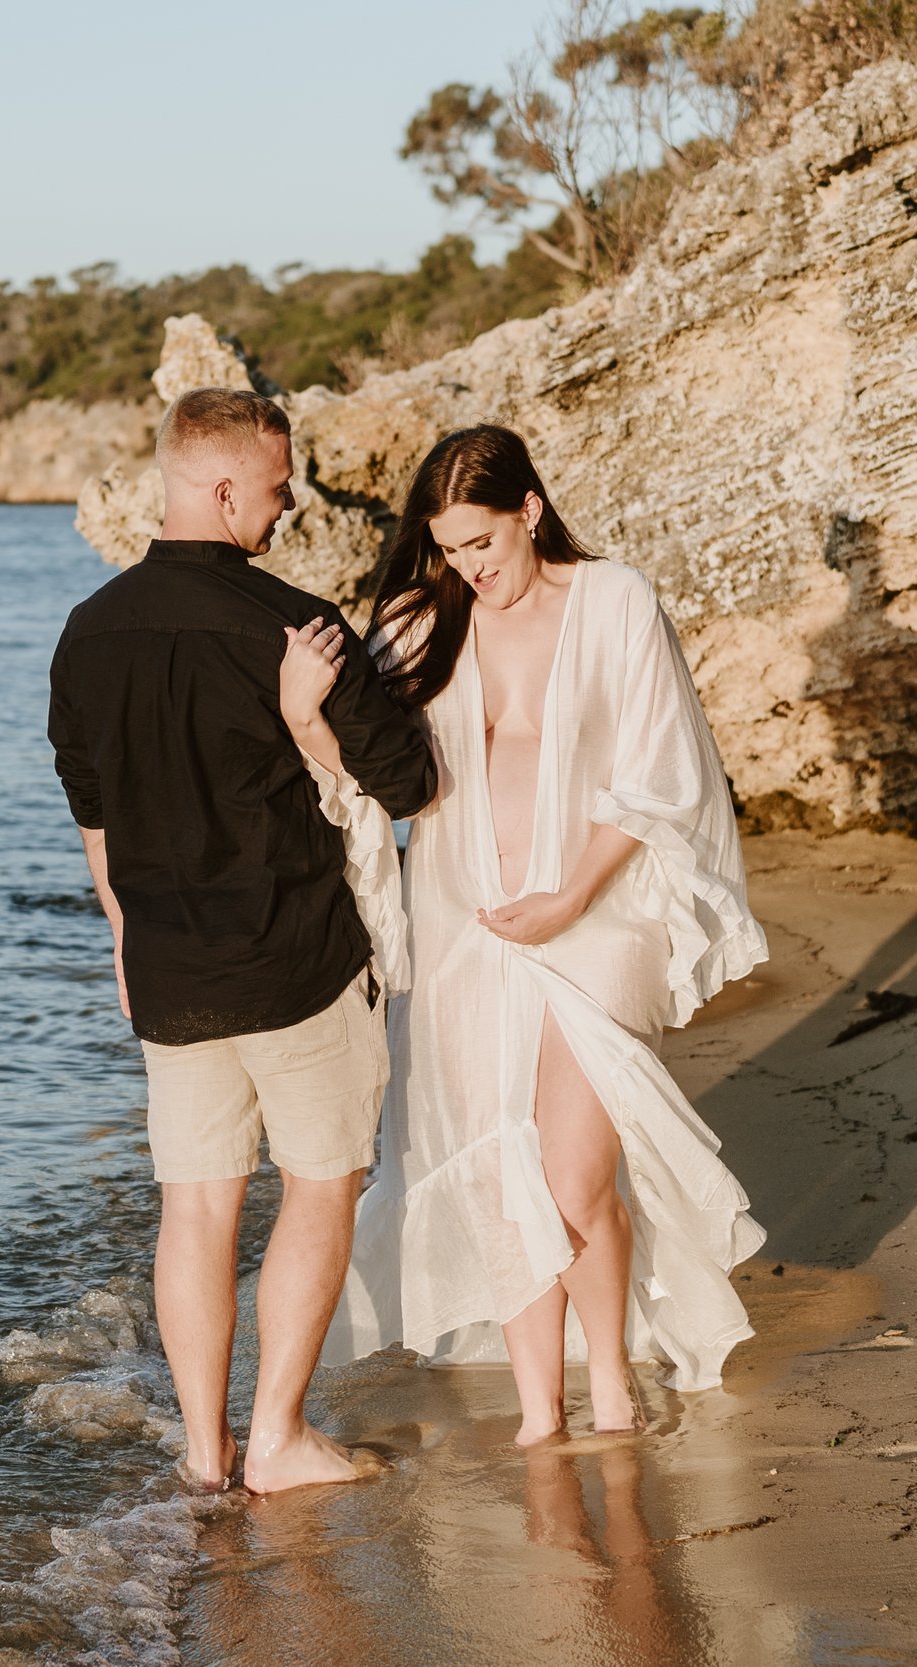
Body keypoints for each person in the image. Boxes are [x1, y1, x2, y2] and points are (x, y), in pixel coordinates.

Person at [317, 424, 767, 1444]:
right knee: (493, 1168)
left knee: (571, 1174)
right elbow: (366, 767)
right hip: (463, 921)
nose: (470, 567)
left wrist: (568, 895)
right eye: (450, 550)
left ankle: (606, 1378)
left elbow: (662, 773)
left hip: (595, 917)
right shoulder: (422, 621)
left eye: (483, 541)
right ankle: (534, 1410)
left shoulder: (615, 600)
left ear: (528, 511)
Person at [46, 388, 435, 1491]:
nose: (287, 504)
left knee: (198, 1202)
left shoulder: (87, 632)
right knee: (320, 1181)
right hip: (299, 960)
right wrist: (316, 713)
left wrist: (123, 933)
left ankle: (204, 1454)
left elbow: (93, 806)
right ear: (223, 488)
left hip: (168, 968)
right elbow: (405, 781)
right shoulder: (295, 626)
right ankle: (276, 1437)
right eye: (275, 486)